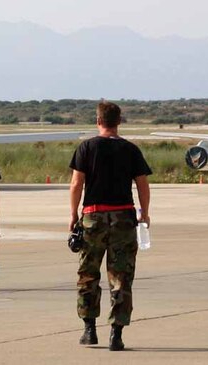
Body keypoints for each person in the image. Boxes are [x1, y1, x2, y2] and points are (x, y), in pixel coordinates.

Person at [69, 101, 152, 352]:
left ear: (98, 121)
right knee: (121, 276)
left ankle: (89, 329)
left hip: (93, 216)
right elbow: (142, 184)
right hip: (123, 218)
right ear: (119, 122)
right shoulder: (130, 150)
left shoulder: (86, 147)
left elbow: (76, 184)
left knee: (88, 274)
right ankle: (116, 333)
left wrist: (73, 215)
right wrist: (144, 213)